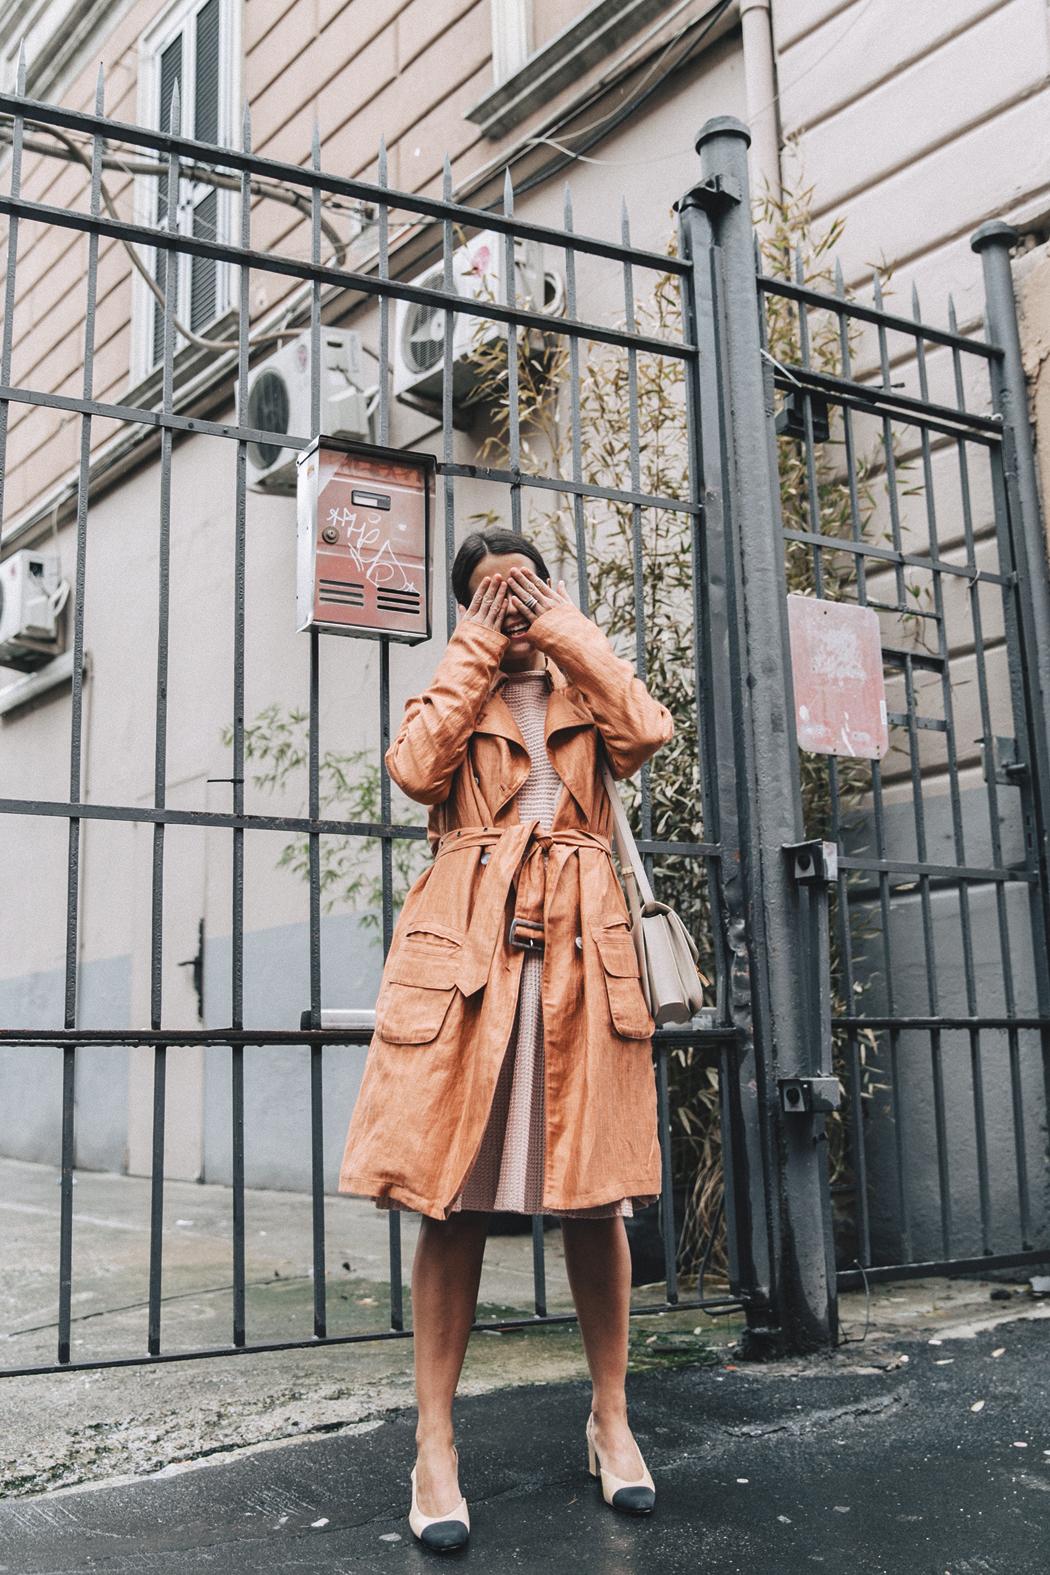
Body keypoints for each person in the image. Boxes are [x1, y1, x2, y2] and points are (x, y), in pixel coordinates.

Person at [339, 526, 673, 1550]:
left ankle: (610, 1421)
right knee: (455, 1202)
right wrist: (472, 650)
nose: (513, 613)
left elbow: (648, 731)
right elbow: (413, 768)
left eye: (524, 591)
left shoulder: (584, 688)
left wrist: (568, 627)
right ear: (461, 610)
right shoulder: (453, 690)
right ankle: (433, 1445)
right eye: (491, 597)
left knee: (595, 1200)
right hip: (476, 966)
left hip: (582, 959)